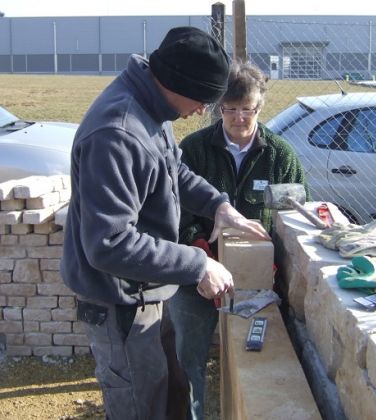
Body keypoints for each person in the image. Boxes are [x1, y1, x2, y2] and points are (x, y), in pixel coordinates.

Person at [60, 27, 269, 420]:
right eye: (203, 102)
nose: (199, 113)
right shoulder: (117, 134)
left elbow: (173, 170)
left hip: (149, 288)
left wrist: (218, 206)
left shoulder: (154, 105)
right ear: (178, 83)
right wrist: (198, 264)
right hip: (119, 301)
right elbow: (110, 243)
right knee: (141, 403)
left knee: (170, 388)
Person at [168, 60, 309, 420]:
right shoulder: (196, 150)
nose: (238, 119)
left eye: (247, 110)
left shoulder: (280, 157)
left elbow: (292, 219)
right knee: (188, 359)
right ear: (219, 108)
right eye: (230, 109)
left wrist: (273, 265)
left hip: (255, 284)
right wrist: (199, 255)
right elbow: (174, 214)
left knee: (253, 356)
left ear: (259, 108)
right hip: (196, 276)